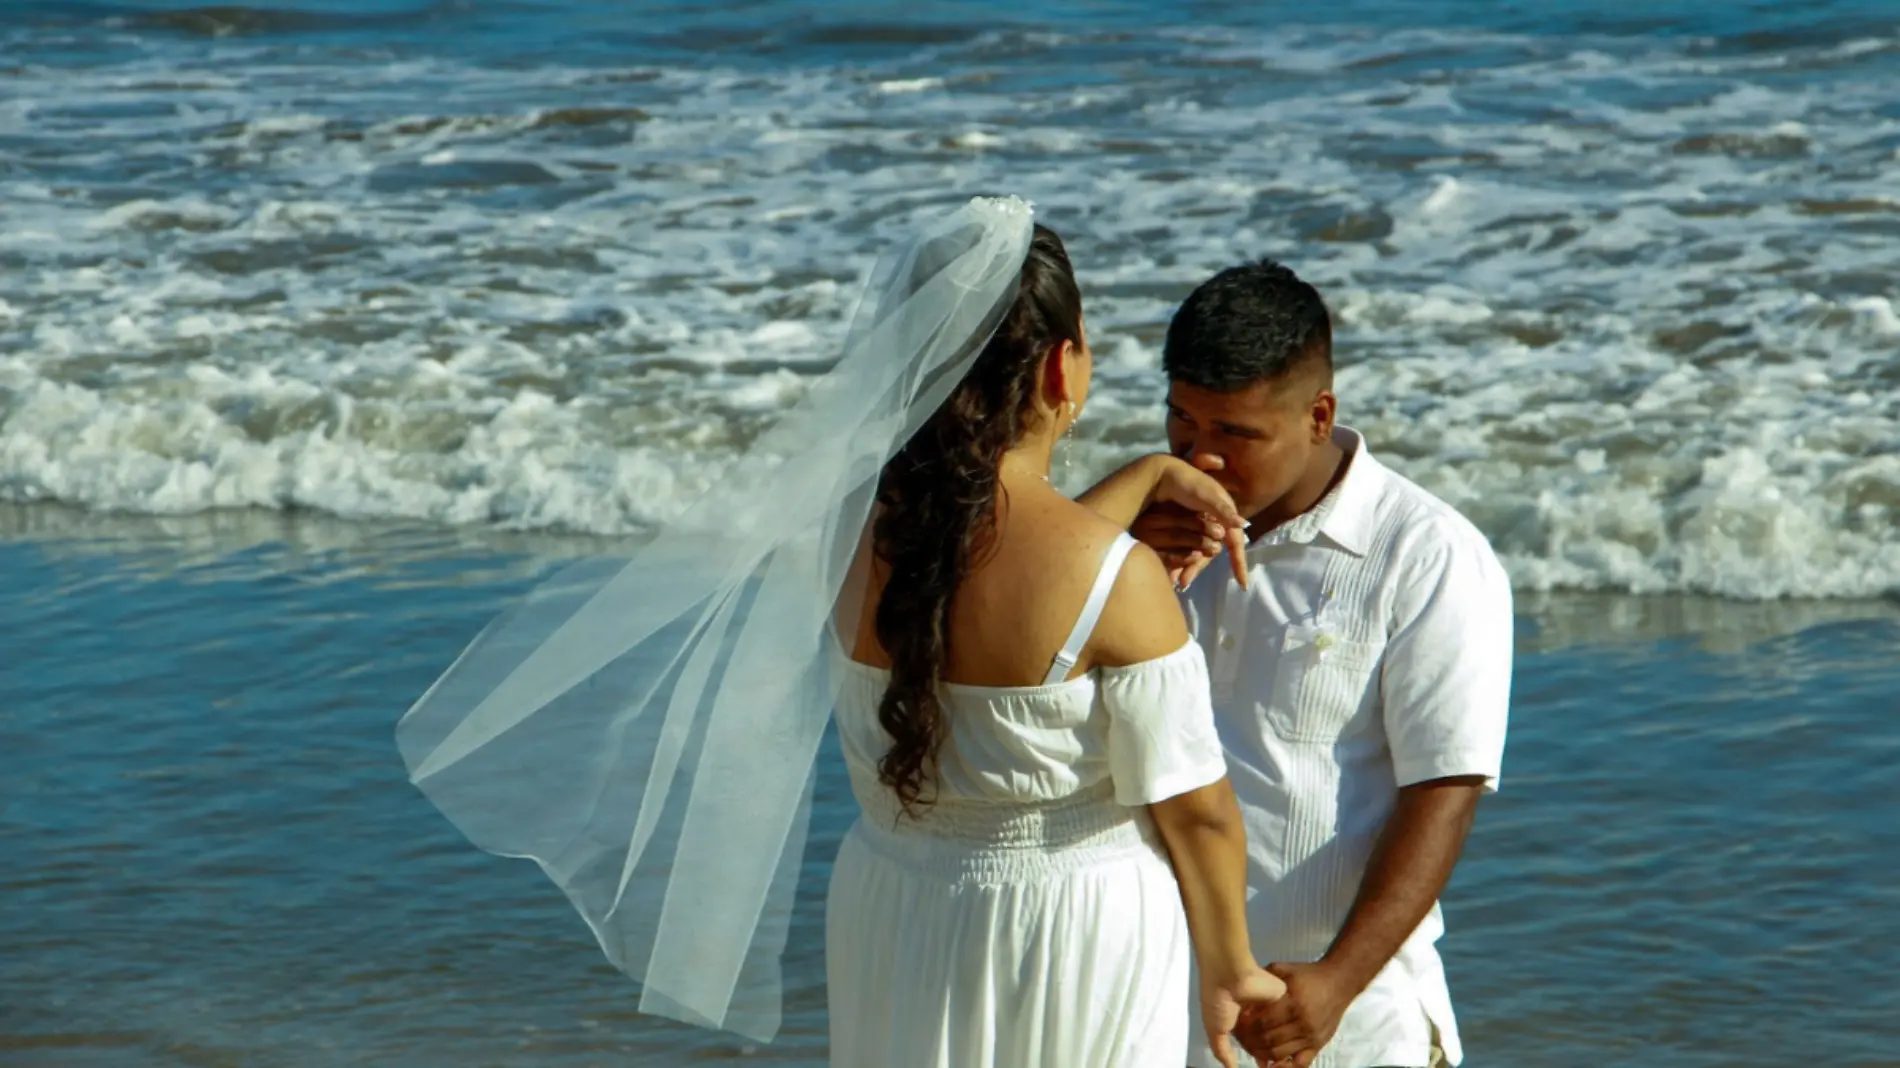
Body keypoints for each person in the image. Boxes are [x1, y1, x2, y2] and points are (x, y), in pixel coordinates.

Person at [396, 198, 1287, 1068]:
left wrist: (1135, 484)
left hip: (893, 905)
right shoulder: (1115, 581)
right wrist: (1231, 968)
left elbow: (976, 580)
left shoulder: (850, 535)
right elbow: (1200, 814)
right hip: (1066, 924)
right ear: (1062, 369)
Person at [1085, 260, 1513, 1068]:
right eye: (1182, 423)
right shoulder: (1138, 539)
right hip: (1147, 1000)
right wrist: (1112, 562)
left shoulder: (1426, 555)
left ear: (1319, 416)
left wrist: (1337, 982)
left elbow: (1444, 789)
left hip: (1340, 1018)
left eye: (1236, 435)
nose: (1200, 459)